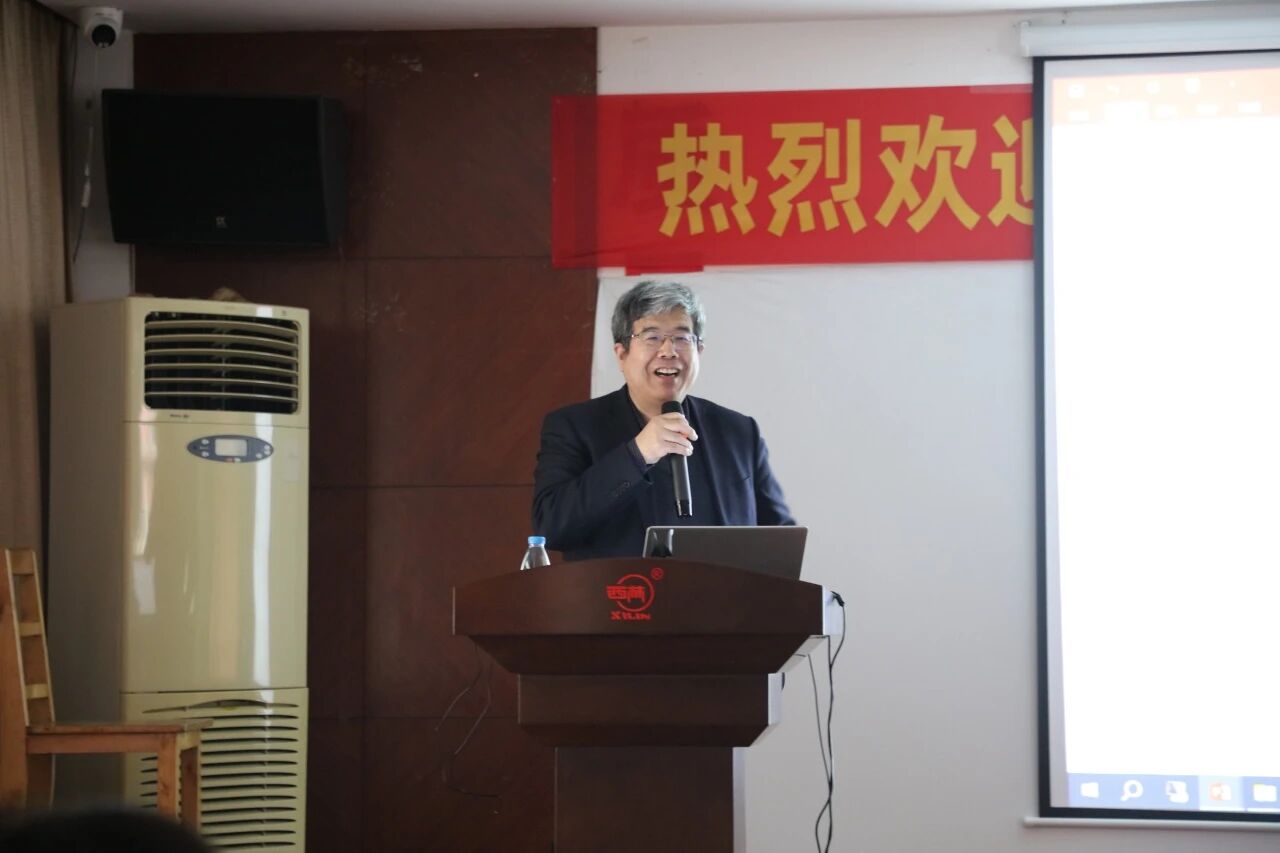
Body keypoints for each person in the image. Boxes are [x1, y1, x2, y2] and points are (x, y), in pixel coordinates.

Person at [533, 280, 793, 560]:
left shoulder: (738, 431)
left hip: (722, 589)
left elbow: (780, 538)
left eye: (682, 338)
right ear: (621, 354)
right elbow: (551, 527)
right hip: (620, 588)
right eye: (652, 337)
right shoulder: (574, 427)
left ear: (699, 351)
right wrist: (637, 454)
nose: (668, 351)